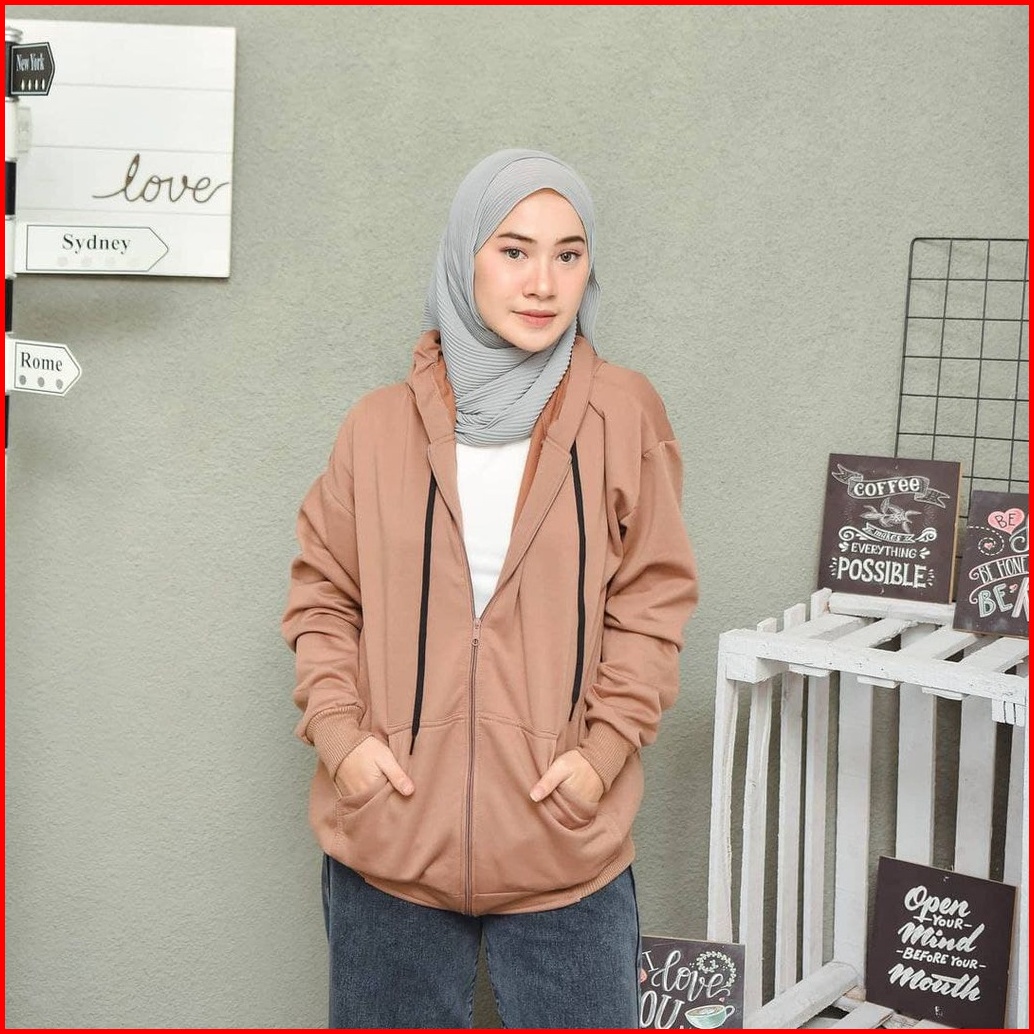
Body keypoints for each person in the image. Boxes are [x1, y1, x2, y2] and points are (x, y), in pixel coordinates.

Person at [282, 148, 698, 1029]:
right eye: (513, 251)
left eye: (568, 254)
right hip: (391, 847)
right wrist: (345, 743)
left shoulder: (623, 414)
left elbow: (651, 604)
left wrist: (600, 757)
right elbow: (323, 598)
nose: (543, 282)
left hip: (565, 850)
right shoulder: (376, 428)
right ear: (464, 257)